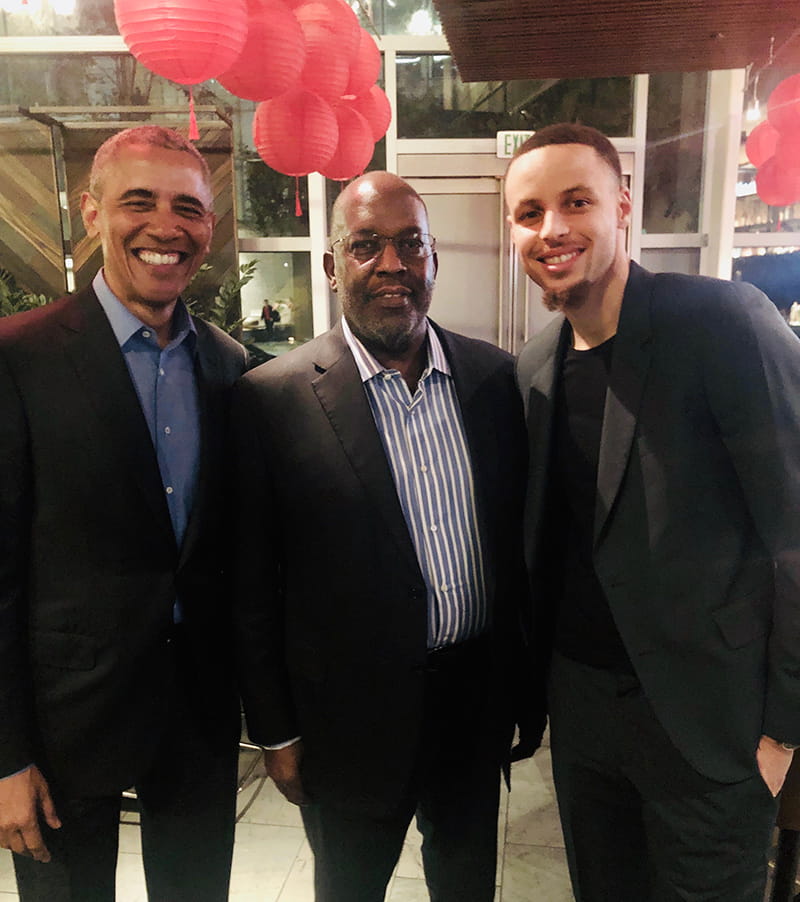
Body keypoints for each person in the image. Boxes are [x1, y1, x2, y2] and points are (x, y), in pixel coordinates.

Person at [505, 121, 800, 901]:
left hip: (710, 723)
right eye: (529, 212)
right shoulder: (535, 366)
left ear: (623, 207)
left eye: (576, 202)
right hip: (583, 719)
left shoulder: (722, 324)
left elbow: (796, 536)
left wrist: (783, 729)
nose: (552, 229)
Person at [231, 171, 540, 901]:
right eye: (366, 246)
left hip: (473, 703)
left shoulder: (495, 380)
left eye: (411, 245)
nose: (392, 265)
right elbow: (252, 585)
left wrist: (524, 692)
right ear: (335, 265)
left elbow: (518, 552)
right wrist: (275, 732)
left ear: (434, 261)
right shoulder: (272, 399)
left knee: (467, 884)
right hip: (346, 721)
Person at [0, 125, 248, 901]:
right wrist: (4, 755)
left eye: (189, 208)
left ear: (210, 225)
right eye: (138, 201)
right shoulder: (17, 358)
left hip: (200, 719)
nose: (166, 227)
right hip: (62, 726)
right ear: (90, 212)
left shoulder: (232, 366)